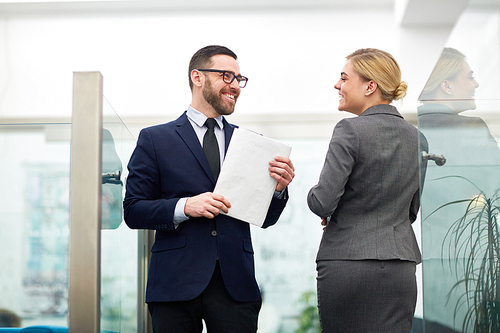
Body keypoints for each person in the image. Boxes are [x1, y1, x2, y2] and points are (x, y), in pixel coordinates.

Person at [123, 45, 295, 333]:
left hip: (235, 285)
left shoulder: (251, 143)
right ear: (197, 77)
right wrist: (184, 207)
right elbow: (133, 210)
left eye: (239, 79)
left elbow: (265, 219)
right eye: (227, 76)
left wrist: (278, 190)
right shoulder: (155, 139)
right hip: (174, 284)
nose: (235, 86)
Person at [307, 48, 421, 333]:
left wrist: (324, 202)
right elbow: (410, 210)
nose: (338, 85)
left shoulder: (350, 130)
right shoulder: (418, 138)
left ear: (371, 86)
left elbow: (322, 202)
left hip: (348, 263)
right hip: (400, 266)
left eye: (344, 78)